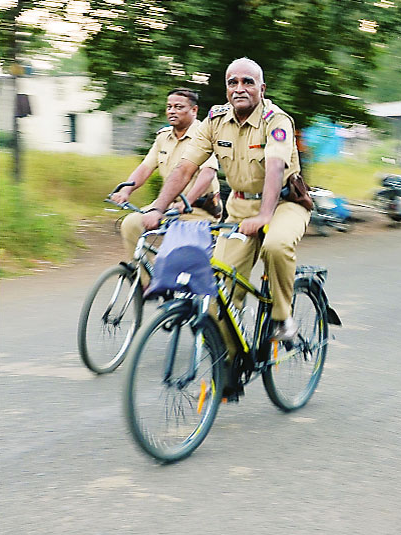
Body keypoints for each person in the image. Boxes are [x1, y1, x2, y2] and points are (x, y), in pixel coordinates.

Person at [142, 57, 310, 348]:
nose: (240, 88)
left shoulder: (276, 121)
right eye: (233, 82)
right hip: (239, 207)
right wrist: (158, 207)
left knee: (276, 245)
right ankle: (228, 371)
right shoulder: (216, 122)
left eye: (248, 82)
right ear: (226, 88)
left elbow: (274, 167)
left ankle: (283, 317)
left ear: (262, 88)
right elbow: (184, 168)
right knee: (219, 291)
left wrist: (264, 216)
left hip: (284, 203)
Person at [111, 88, 221, 283]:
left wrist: (185, 204)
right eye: (169, 107)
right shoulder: (163, 137)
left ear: (194, 110)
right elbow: (145, 168)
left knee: (177, 258)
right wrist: (126, 190)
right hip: (166, 206)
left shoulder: (204, 136)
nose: (172, 111)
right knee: (130, 223)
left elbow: (207, 174)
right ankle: (144, 283)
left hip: (198, 208)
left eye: (179, 107)